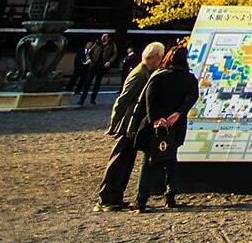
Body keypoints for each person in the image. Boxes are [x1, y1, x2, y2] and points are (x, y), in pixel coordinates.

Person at [94, 40, 164, 212]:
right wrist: (114, 123)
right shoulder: (139, 74)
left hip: (134, 123)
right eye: (160, 57)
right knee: (119, 160)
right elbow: (123, 100)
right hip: (128, 123)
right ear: (155, 57)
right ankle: (106, 198)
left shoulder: (146, 72)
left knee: (126, 161)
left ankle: (116, 197)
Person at [134, 44, 199, 211]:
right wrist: (178, 113)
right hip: (174, 125)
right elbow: (192, 97)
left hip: (156, 125)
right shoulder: (189, 78)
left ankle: (142, 198)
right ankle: (170, 196)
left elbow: (150, 99)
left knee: (148, 160)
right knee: (171, 158)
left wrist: (155, 118)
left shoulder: (159, 76)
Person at [84, 34, 119, 105]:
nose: (103, 37)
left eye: (105, 36)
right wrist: (89, 59)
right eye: (103, 36)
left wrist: (109, 61)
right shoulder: (97, 43)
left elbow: (114, 54)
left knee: (97, 83)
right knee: (88, 82)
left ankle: (93, 99)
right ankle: (82, 99)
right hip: (93, 64)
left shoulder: (111, 45)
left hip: (102, 65)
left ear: (108, 38)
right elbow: (89, 53)